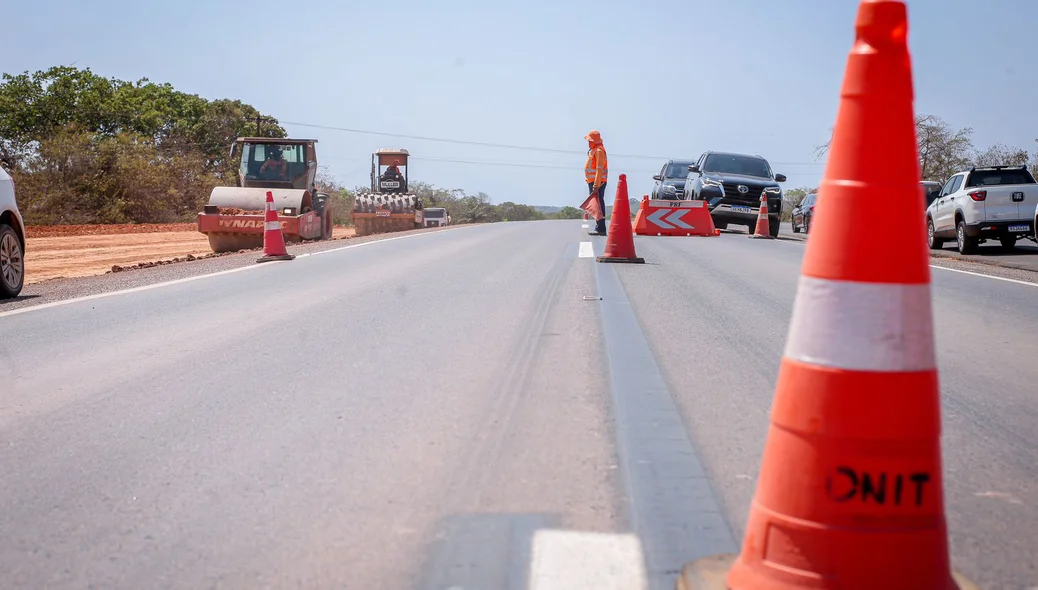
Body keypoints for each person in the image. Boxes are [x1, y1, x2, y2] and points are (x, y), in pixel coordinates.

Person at [584, 129, 608, 235]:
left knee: (598, 204)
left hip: (598, 183)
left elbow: (599, 169)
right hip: (594, 182)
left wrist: (596, 185)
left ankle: (601, 228)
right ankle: (599, 226)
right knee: (596, 204)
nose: (588, 142)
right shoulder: (595, 150)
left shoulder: (599, 151)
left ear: (594, 141)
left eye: (590, 140)